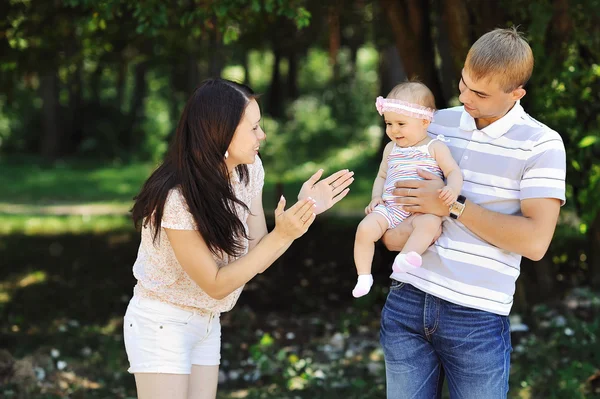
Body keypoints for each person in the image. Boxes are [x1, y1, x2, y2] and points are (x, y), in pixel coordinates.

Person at [123, 78, 354, 399]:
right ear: (221, 133)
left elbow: (257, 253)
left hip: (208, 320)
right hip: (162, 322)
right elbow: (216, 283)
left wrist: (305, 211)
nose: (263, 135)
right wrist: (283, 235)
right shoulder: (177, 198)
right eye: (254, 128)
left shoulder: (249, 170)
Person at [379, 28, 566, 398]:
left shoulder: (541, 145)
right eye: (463, 84)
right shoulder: (433, 123)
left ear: (517, 94)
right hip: (407, 300)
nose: (465, 97)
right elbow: (392, 209)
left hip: (476, 318)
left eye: (480, 94)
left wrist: (451, 205)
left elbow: (536, 242)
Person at [352, 82, 462, 298]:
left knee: (430, 223)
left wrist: (452, 189)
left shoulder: (434, 147)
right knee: (364, 229)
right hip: (390, 208)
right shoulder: (390, 148)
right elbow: (382, 176)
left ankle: (406, 255)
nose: (393, 130)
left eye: (401, 123)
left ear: (424, 121)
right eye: (389, 123)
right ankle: (364, 275)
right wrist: (376, 197)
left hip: (419, 212)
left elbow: (453, 172)